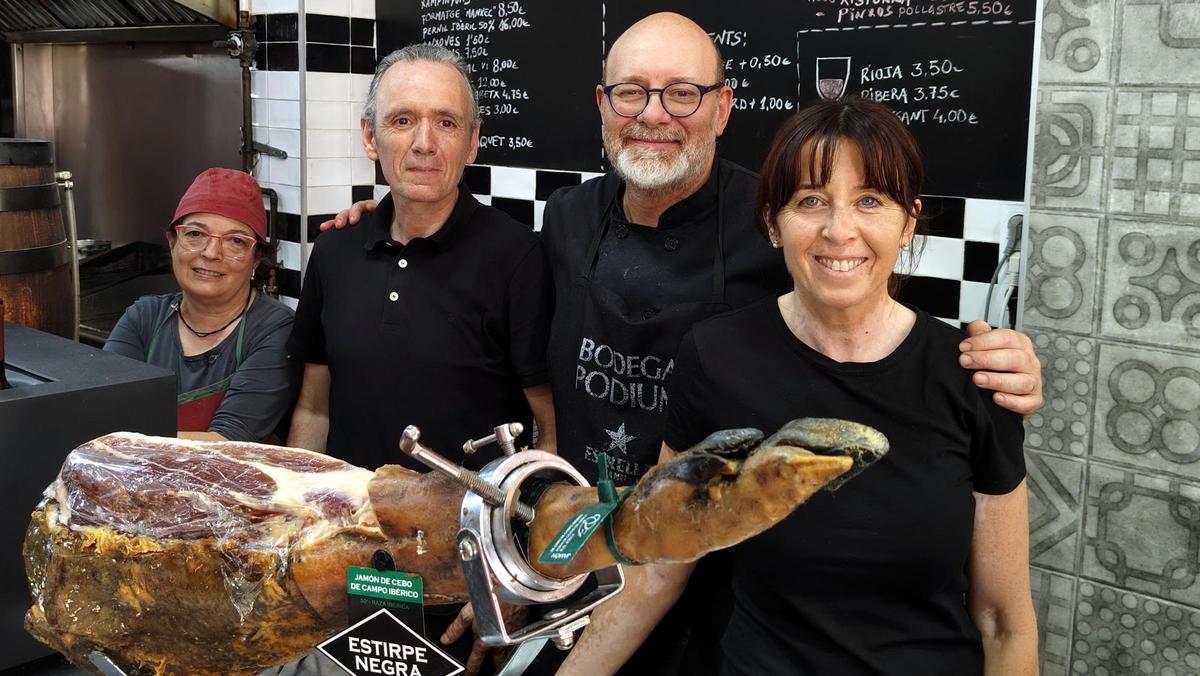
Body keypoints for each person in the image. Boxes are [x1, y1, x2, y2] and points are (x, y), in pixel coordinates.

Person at [322, 13, 1042, 673]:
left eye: (683, 95)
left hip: (724, 586)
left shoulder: (775, 224)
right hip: (587, 555)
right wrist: (385, 218)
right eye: (632, 94)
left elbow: (860, 307)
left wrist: (990, 359)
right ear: (603, 108)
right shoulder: (568, 218)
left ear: (723, 109)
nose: (654, 117)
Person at [560, 97, 1038, 675]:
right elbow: (661, 562)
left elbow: (1003, 622)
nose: (840, 231)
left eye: (870, 201)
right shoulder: (717, 356)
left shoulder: (975, 376)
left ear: (908, 220)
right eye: (811, 201)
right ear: (772, 220)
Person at [285, 43, 555, 673]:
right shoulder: (334, 254)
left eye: (447, 122)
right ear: (370, 137)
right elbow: (313, 408)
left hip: (462, 575)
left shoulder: (518, 259)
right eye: (403, 121)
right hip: (348, 561)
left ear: (474, 141)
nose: (425, 143)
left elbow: (549, 429)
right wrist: (305, 536)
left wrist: (518, 571)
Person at [105, 167, 295, 443]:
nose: (210, 253)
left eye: (235, 241)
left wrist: (129, 439)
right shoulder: (144, 318)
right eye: (195, 234)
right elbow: (103, 408)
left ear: (256, 260)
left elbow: (227, 442)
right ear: (172, 242)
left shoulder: (274, 329)